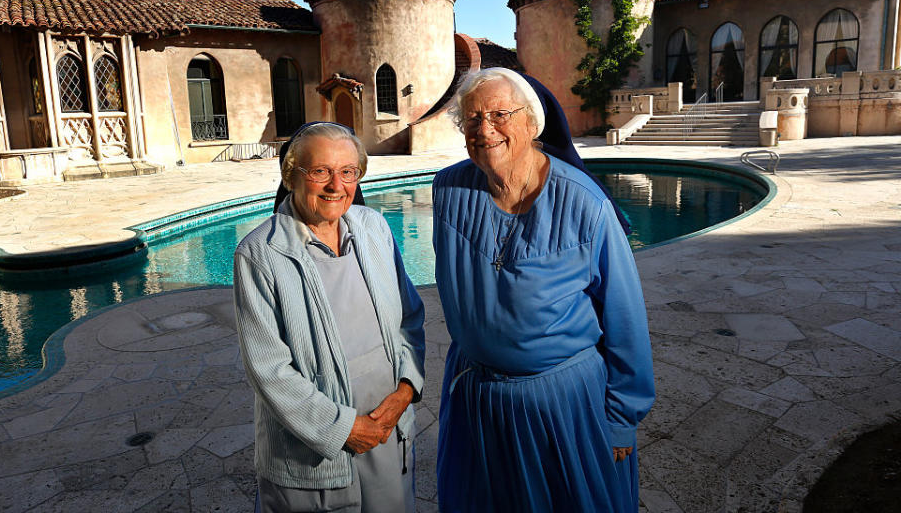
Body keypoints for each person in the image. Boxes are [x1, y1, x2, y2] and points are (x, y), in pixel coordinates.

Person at [433, 68, 654, 513]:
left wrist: (621, 419)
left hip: (562, 407)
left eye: (500, 114)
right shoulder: (448, 191)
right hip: (477, 402)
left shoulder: (586, 205)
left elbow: (624, 316)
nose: (485, 129)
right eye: (472, 119)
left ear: (532, 123)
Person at [233, 122, 425, 513]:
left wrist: (406, 389)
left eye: (348, 172)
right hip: (314, 452)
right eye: (320, 171)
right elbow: (268, 369)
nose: (336, 185)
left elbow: (409, 317)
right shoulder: (259, 255)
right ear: (291, 176)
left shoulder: (374, 228)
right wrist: (343, 429)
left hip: (388, 431)